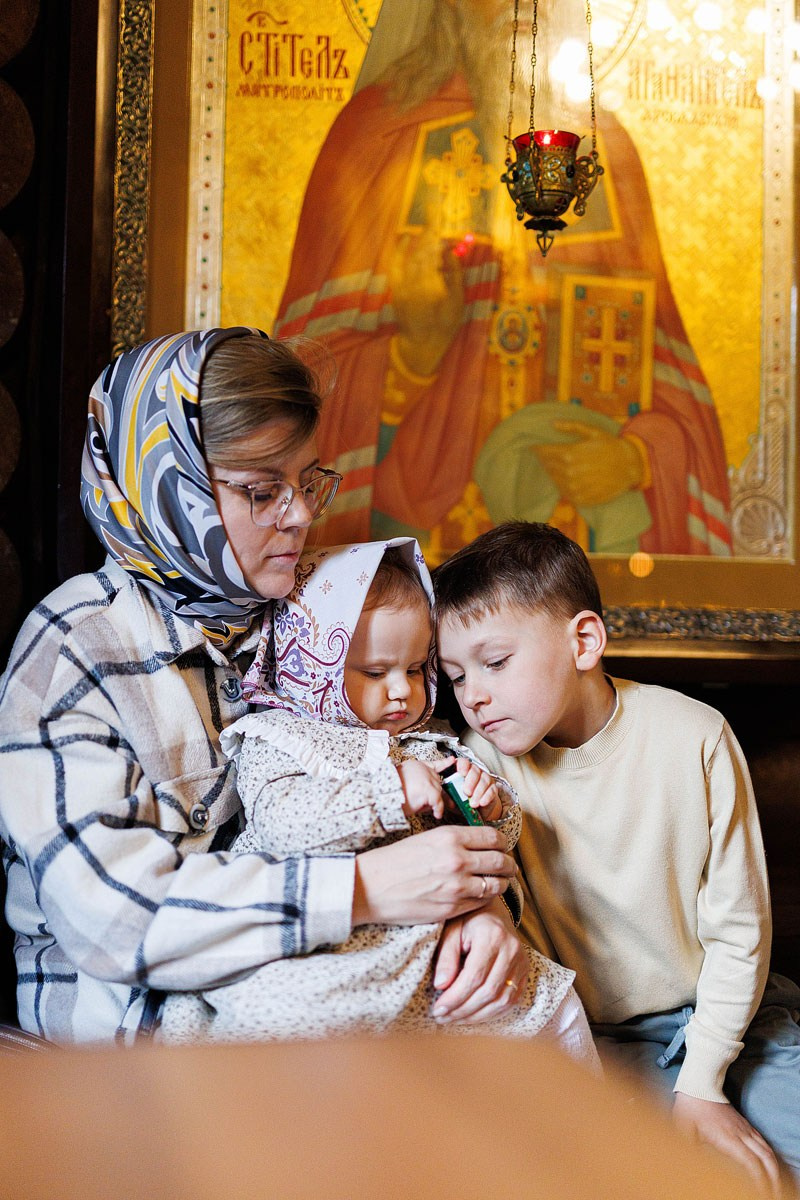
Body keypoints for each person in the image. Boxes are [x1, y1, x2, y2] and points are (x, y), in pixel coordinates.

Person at [0, 327, 526, 1044]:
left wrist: (480, 907)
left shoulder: (326, 614)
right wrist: (368, 891)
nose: (302, 514)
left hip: (343, 1000)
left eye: (308, 480)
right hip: (135, 1056)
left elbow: (431, 779)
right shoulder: (73, 646)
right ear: (168, 488)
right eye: (261, 491)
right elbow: (115, 922)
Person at [274, 0, 732, 561]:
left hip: (576, 562)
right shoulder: (376, 139)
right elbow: (294, 396)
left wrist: (635, 460)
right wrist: (409, 359)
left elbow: (674, 394)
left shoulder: (602, 154)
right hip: (411, 566)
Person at [432, 520, 800, 1194]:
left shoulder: (696, 737)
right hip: (590, 1035)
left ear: (584, 641)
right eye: (455, 677)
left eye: (495, 661)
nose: (474, 696)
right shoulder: (476, 768)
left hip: (723, 1016)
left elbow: (740, 933)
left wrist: (704, 1083)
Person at [159, 538, 598, 1068]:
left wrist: (489, 808)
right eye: (374, 672)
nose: (401, 692)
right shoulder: (280, 738)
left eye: (416, 670)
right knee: (284, 1018)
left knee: (552, 1004)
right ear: (312, 663)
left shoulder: (426, 742)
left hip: (428, 946)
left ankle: (588, 1138)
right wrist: (390, 792)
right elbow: (282, 823)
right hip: (329, 941)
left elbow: (491, 846)